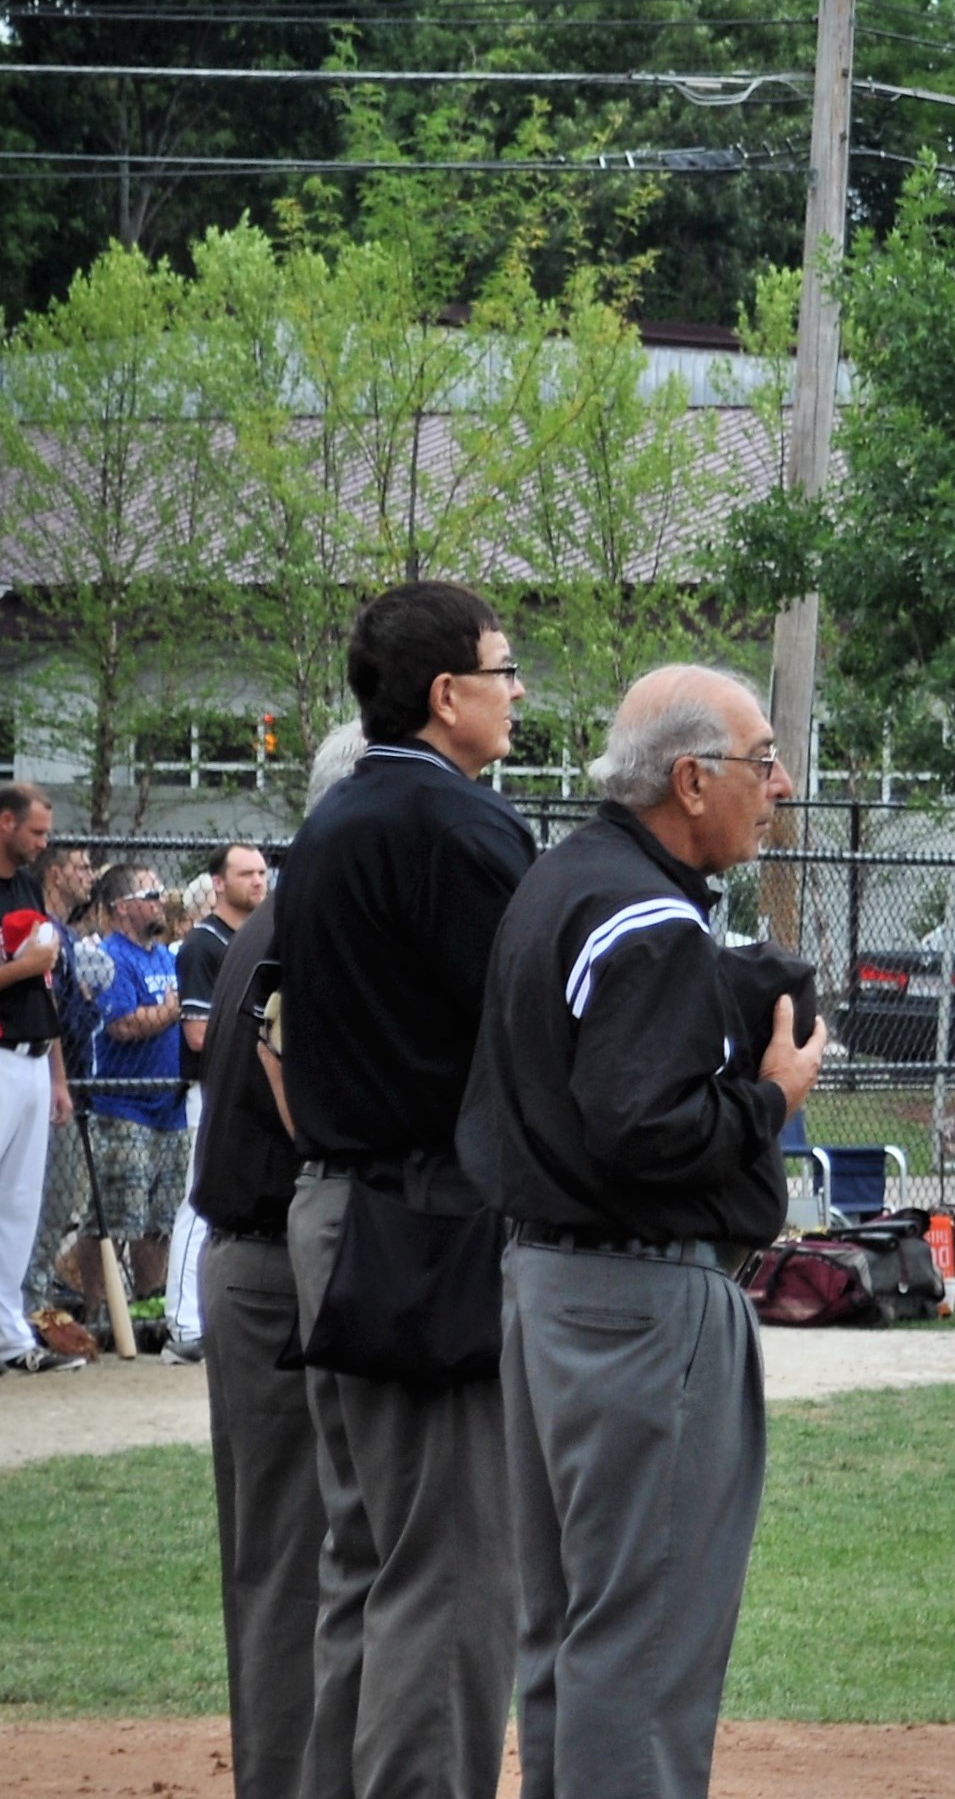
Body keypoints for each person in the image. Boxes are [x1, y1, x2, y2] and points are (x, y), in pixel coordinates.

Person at [462, 666, 823, 1799]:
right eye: (762, 760)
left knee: (573, 1632)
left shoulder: (564, 874)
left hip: (550, 1283)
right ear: (689, 777)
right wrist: (771, 1097)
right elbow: (645, 1128)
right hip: (636, 1301)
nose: (781, 783)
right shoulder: (649, 913)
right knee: (646, 1641)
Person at [274, 579, 538, 1799]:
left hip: (336, 1208)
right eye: (502, 667)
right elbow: (530, 1040)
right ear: (447, 694)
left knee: (366, 1565)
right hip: (422, 1222)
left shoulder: (331, 819)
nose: (516, 688)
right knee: (450, 1576)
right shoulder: (457, 826)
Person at [194, 727, 364, 1799]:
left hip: (270, 1253)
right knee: (293, 1560)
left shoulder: (288, 915)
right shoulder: (310, 922)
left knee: (301, 1556)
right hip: (274, 1261)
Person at [163, 842, 266, 1366]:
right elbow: (200, 1034)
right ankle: (182, 1322)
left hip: (243, 1086)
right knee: (199, 1200)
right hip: (211, 1088)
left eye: (262, 871)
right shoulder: (203, 944)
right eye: (245, 872)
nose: (257, 880)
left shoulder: (253, 937)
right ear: (218, 883)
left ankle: (201, 1315)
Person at [0, 780, 85, 1374]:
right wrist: (25, 965)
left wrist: (57, 1077)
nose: (44, 843)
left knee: (20, 1208)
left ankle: (9, 1336)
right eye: (36, 832)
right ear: (5, 824)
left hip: (32, 1060)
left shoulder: (27, 885)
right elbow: (33, 968)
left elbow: (46, 986)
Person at [84, 864, 191, 1294]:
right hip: (124, 1107)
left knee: (158, 1220)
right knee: (112, 1217)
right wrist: (171, 1009)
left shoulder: (164, 956)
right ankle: (97, 1310)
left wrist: (165, 1011)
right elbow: (123, 1024)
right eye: (152, 894)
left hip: (170, 1107)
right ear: (123, 907)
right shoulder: (111, 956)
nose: (160, 900)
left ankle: (148, 1304)